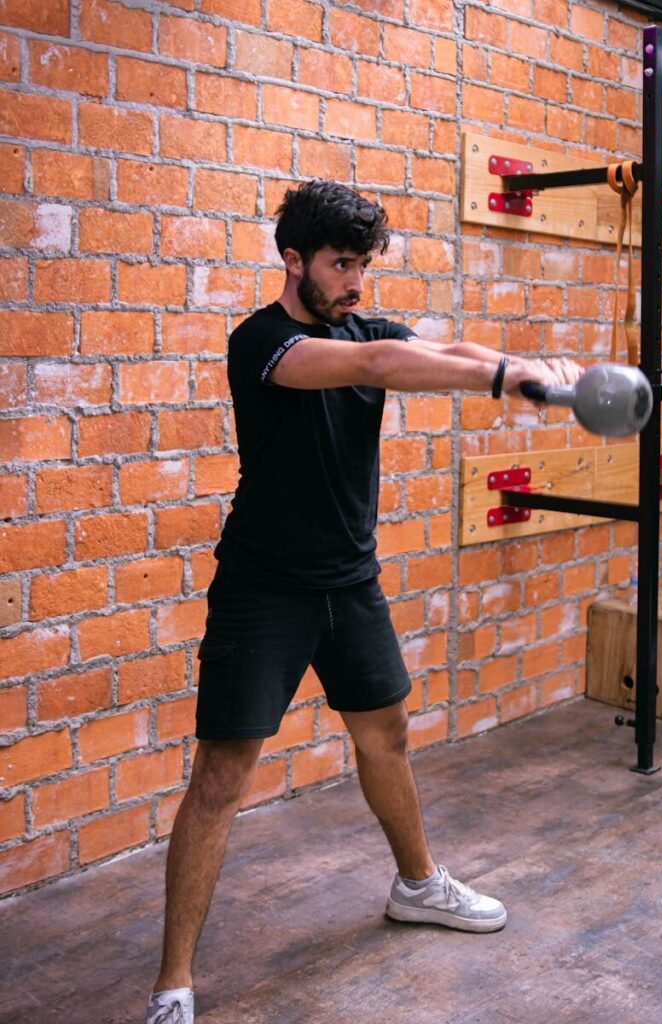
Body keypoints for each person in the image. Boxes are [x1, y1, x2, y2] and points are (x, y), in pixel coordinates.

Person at [145, 179, 583, 1024]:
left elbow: (438, 350)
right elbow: (382, 365)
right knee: (221, 778)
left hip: (350, 581)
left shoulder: (361, 322)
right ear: (293, 259)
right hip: (264, 592)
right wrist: (507, 378)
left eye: (362, 265)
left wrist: (534, 368)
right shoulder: (263, 344)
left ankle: (418, 884)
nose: (354, 282)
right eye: (341, 265)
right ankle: (173, 982)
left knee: (387, 738)